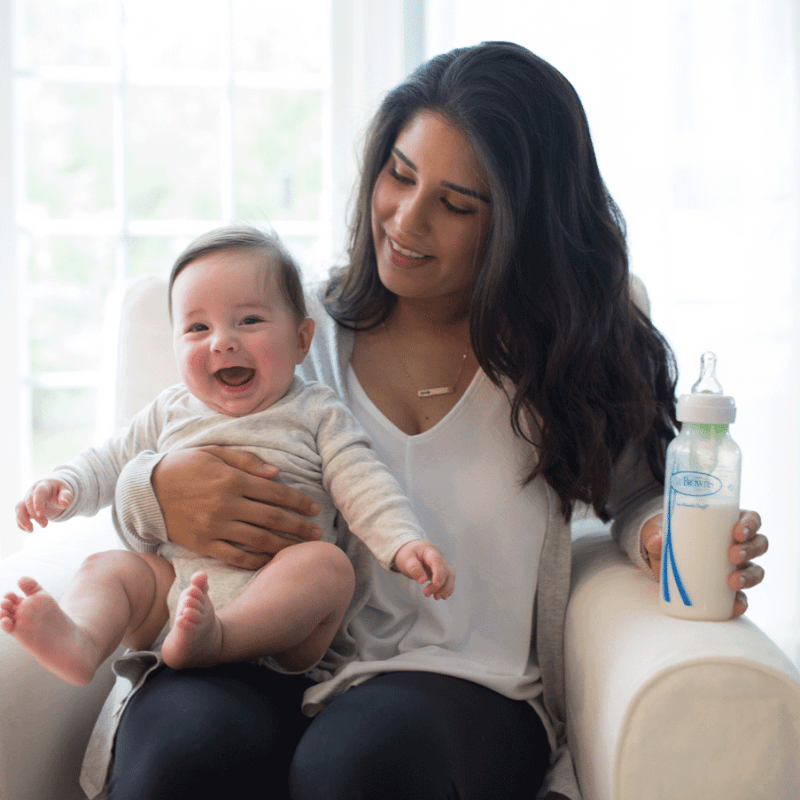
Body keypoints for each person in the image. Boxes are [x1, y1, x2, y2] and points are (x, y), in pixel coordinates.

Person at [79, 42, 767, 800]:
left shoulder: (566, 358)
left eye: (456, 204)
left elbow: (638, 495)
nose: (406, 221)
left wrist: (670, 539)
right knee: (182, 750)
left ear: (521, 224)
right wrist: (154, 489)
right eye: (399, 176)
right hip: (266, 654)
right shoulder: (290, 333)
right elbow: (146, 459)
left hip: (460, 682)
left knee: (359, 766)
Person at [2, 225, 454, 690]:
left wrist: (403, 542)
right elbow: (111, 461)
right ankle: (82, 641)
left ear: (301, 341)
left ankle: (221, 637)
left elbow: (364, 482)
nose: (222, 341)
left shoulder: (317, 412)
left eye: (250, 321)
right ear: (175, 344)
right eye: (198, 328)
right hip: (175, 594)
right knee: (107, 567)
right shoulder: (170, 409)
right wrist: (65, 486)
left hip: (284, 624)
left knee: (327, 566)